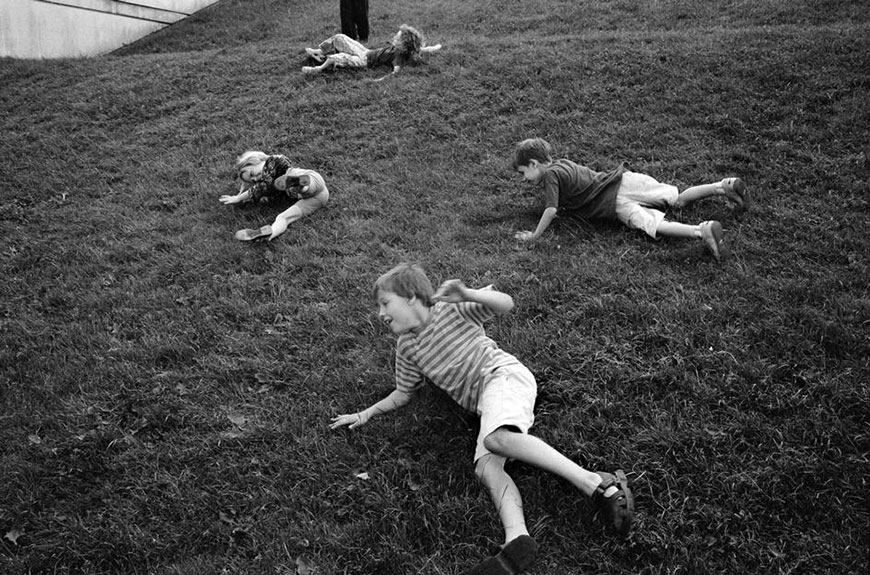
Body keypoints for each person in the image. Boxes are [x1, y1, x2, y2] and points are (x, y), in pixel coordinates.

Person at [330, 263, 635, 575]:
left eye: (384, 303)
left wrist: (466, 293)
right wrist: (364, 414)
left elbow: (505, 303)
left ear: (410, 297)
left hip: (503, 376)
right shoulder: (406, 346)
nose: (380, 314)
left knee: (496, 439)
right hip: (486, 404)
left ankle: (596, 482)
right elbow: (403, 392)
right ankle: (517, 538)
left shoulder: (451, 311)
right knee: (486, 466)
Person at [512, 138, 750, 261]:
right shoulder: (562, 164)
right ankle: (723, 186)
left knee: (653, 223)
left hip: (614, 203)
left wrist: (534, 236)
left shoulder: (550, 177)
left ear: (534, 164)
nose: (524, 179)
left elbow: (551, 210)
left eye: (524, 172)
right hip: (626, 179)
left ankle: (701, 231)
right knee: (677, 198)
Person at [219, 151, 329, 241]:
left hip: (312, 179)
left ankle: (299, 183)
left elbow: (259, 188)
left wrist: (238, 198)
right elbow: (263, 189)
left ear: (257, 160)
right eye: (253, 180)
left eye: (252, 174)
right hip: (317, 198)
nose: (256, 179)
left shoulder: (272, 162)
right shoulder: (268, 182)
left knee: (297, 177)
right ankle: (270, 234)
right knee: (283, 217)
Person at [302, 24, 442, 80]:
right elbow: (420, 49)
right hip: (366, 52)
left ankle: (318, 69)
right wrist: (434, 48)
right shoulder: (406, 49)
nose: (394, 37)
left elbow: (396, 72)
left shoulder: (399, 55)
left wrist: (380, 80)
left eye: (397, 38)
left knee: (339, 57)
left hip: (365, 61)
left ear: (404, 45)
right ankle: (319, 53)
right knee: (340, 37)